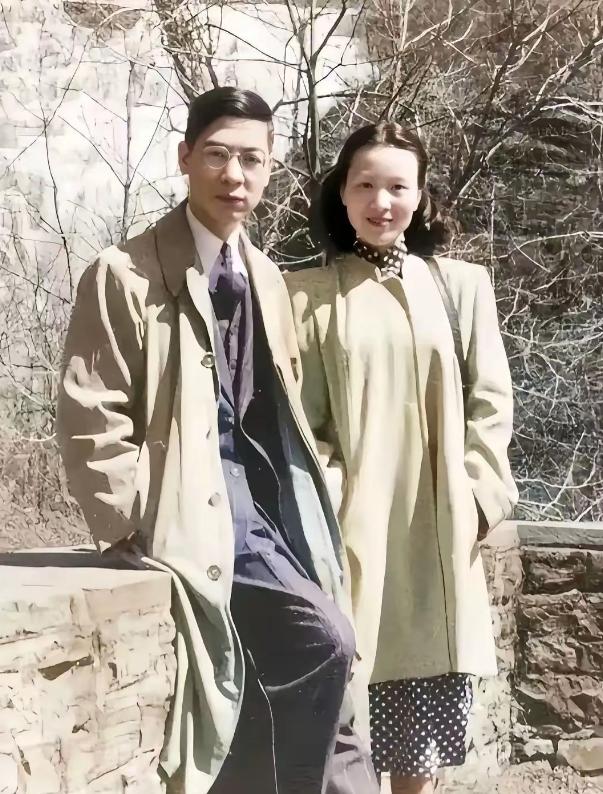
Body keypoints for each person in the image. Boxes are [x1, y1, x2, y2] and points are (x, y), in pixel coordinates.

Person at [56, 87, 379, 794]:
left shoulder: (265, 277)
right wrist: (129, 524)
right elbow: (91, 412)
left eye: (252, 160)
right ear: (185, 158)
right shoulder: (125, 273)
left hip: (268, 512)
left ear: (270, 169)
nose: (235, 175)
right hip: (188, 516)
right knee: (322, 644)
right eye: (217, 156)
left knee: (334, 677)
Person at [285, 122, 518, 794]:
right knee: (344, 734)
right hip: (351, 539)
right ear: (342, 193)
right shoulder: (306, 295)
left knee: (420, 751)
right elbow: (303, 421)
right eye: (365, 185)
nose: (380, 202)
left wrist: (477, 498)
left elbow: (491, 403)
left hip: (437, 537)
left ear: (420, 196)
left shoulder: (460, 286)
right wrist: (333, 502)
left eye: (397, 187)